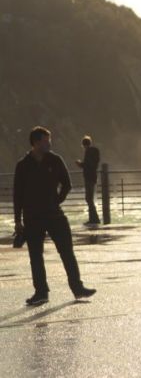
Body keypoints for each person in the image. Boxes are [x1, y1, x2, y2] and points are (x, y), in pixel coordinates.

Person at [13, 126, 96, 306]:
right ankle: (41, 292)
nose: (49, 143)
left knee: (67, 252)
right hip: (32, 217)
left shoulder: (55, 160)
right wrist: (17, 221)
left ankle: (78, 288)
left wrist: (56, 201)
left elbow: (67, 184)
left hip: (54, 215)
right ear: (36, 142)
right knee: (35, 256)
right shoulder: (23, 165)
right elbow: (17, 194)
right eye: (46, 140)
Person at [76, 135, 101, 225]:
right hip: (93, 176)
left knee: (88, 198)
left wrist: (79, 164)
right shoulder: (95, 151)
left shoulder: (88, 152)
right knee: (90, 198)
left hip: (88, 177)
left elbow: (86, 165)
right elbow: (94, 164)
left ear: (83, 145)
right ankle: (93, 218)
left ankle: (94, 219)